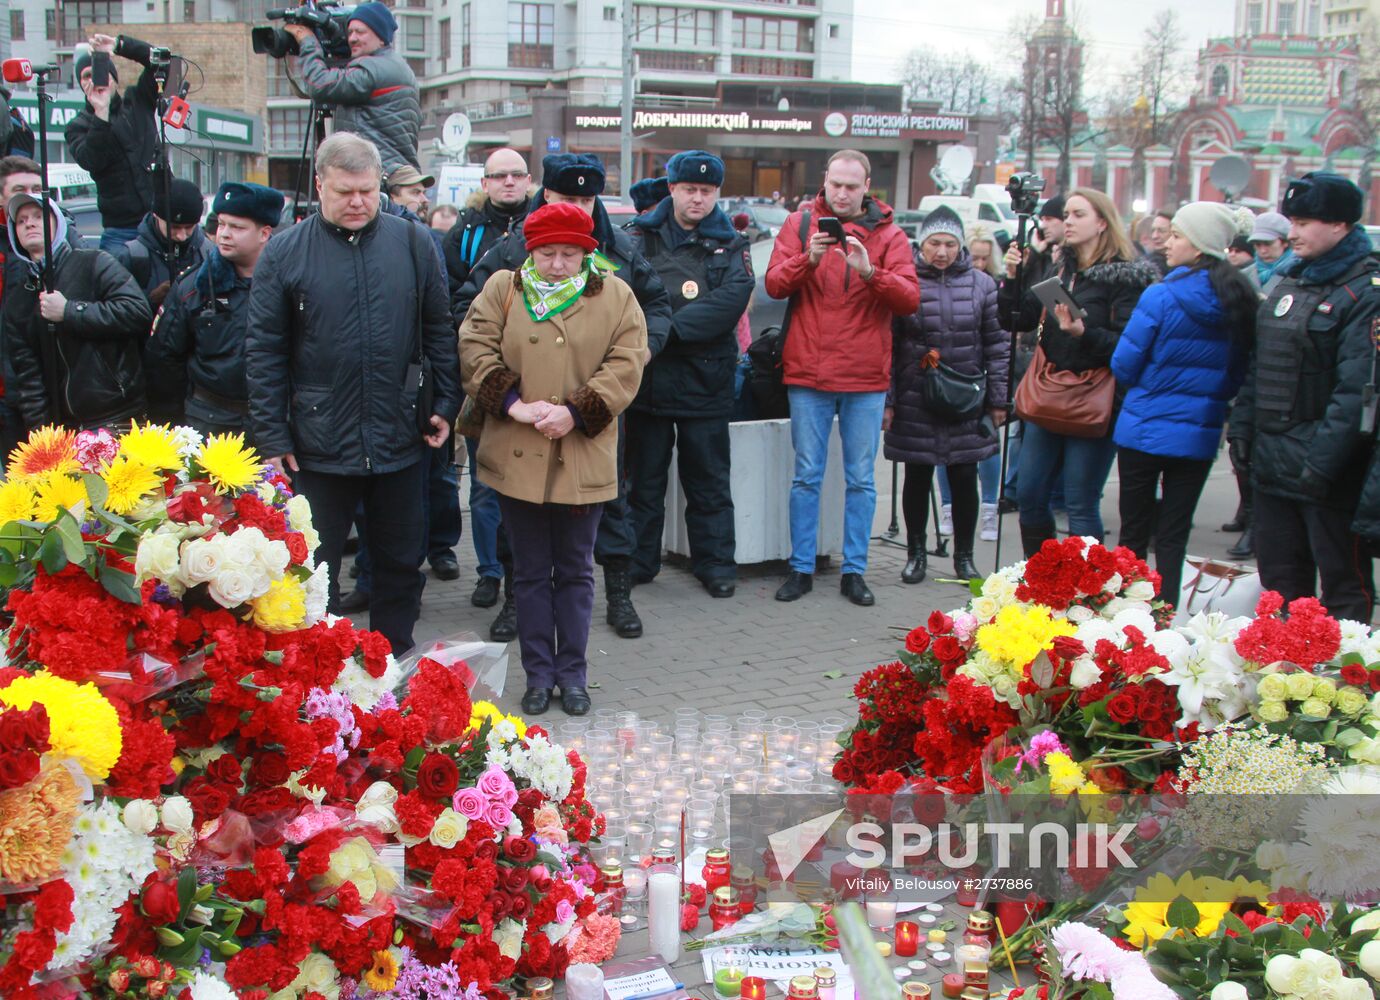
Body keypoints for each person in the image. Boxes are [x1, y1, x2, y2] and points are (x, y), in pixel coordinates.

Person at [245, 133, 460, 655]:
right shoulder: (285, 252)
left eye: (367, 190)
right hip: (317, 443)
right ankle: (327, 669)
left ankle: (394, 661)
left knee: (400, 561)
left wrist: (446, 406)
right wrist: (272, 434)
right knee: (314, 567)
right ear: (320, 185)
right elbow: (264, 350)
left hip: (400, 434)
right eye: (345, 192)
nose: (359, 202)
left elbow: (439, 330)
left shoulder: (412, 244)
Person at [456, 152, 672, 640]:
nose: (577, 205)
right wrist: (506, 391)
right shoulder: (512, 252)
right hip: (521, 423)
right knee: (518, 527)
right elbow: (468, 319)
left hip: (592, 416)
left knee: (606, 513)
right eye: (567, 196)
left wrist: (639, 357)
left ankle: (618, 592)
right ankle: (515, 600)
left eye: (585, 197)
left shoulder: (616, 248)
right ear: (545, 194)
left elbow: (652, 307)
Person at [459, 201, 646, 717]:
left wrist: (577, 413)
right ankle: (539, 675)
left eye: (570, 254)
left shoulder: (616, 294)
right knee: (530, 572)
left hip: (582, 451)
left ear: (587, 253)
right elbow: (474, 348)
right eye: (547, 254)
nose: (559, 264)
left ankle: (574, 675)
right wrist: (514, 404)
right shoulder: (502, 288)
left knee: (577, 572)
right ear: (531, 251)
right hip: (517, 451)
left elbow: (628, 363)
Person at [765, 149, 920, 605]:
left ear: (867, 186)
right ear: (825, 181)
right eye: (836, 184)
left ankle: (855, 570)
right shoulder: (799, 225)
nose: (843, 193)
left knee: (861, 479)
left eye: (853, 186)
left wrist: (870, 272)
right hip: (809, 371)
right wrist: (806, 261)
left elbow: (910, 298)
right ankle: (801, 567)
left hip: (865, 375)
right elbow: (774, 284)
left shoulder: (890, 235)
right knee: (807, 476)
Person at [1228, 172, 1379, 622]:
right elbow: (1261, 365)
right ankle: (1281, 682)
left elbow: (1357, 394)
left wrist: (1321, 466)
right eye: (1292, 220)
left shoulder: (1365, 292)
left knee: (1342, 591)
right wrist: (1243, 430)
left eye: (1306, 221)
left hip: (1327, 474)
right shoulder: (1290, 282)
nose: (1293, 232)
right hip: (1273, 463)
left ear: (1341, 226)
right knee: (1280, 589)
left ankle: (1345, 688)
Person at [1110, 202, 1256, 606]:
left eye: (1176, 235)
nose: (1167, 242)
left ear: (1199, 244)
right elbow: (1236, 375)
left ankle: (1128, 616)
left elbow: (1123, 363)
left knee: (1133, 533)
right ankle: (1168, 611)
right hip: (1198, 432)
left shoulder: (1161, 296)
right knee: (1174, 533)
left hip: (1143, 428)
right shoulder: (1239, 299)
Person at [1000, 189, 1158, 555]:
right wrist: (1013, 276)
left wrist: (1083, 333)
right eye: (1066, 214)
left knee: (1080, 502)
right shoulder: (1059, 268)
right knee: (1030, 494)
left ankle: (1086, 594)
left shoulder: (1127, 278)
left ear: (1102, 223)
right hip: (1048, 393)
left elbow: (1131, 348)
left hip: (1095, 399)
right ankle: (1037, 578)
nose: (1067, 221)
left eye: (1077, 214)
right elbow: (1015, 320)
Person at [625, 151, 754, 596]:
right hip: (649, 381)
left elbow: (730, 301)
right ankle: (638, 562)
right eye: (689, 190)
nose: (698, 199)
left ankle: (716, 565)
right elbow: (626, 296)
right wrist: (659, 331)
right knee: (643, 481)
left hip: (706, 380)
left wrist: (666, 328)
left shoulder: (733, 243)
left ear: (716, 193)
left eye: (707, 191)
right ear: (673, 189)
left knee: (709, 482)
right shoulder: (639, 236)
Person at [886, 207, 1008, 584]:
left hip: (966, 396)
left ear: (962, 245)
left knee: (964, 474)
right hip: (914, 393)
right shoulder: (904, 281)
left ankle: (964, 557)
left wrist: (999, 400)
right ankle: (916, 553)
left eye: (950, 244)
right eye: (934, 243)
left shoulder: (982, 285)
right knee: (917, 476)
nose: (942, 252)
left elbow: (997, 345)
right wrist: (888, 400)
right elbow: (887, 345)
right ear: (921, 245)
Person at [443, 147, 532, 613]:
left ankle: (529, 576)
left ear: (529, 179)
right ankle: (489, 572)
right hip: (487, 379)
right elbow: (454, 301)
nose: (509, 183)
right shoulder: (467, 232)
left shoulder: (544, 226)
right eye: (500, 176)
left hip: (540, 384)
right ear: (486, 181)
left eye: (517, 174)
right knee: (484, 486)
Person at [4, 193, 151, 430]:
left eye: (38, 217)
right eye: (21, 221)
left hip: (117, 416)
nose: (29, 223)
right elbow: (29, 378)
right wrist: (42, 435)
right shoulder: (18, 300)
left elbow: (137, 313)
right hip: (64, 429)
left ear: (57, 224)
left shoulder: (94, 263)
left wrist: (71, 311)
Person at [145, 182, 281, 434]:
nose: (224, 234)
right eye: (221, 224)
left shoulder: (290, 284)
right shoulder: (194, 287)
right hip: (210, 421)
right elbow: (164, 360)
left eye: (237, 227)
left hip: (276, 424)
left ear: (264, 233)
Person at [285, 2, 421, 174]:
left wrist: (307, 40)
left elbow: (318, 84)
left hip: (376, 175)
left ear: (381, 37)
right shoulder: (395, 65)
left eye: (360, 32)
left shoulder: (372, 70)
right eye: (349, 32)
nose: (352, 38)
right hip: (394, 174)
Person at [65, 34, 163, 251]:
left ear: (113, 77)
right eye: (86, 76)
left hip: (161, 221)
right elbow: (93, 160)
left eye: (98, 73)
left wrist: (121, 46)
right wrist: (101, 113)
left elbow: (162, 61)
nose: (93, 80)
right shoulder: (78, 126)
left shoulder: (137, 102)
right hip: (121, 230)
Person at [114, 177, 207, 308]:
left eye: (189, 227)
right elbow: (118, 314)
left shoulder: (208, 252)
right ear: (156, 216)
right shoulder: (131, 257)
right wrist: (151, 300)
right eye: (174, 227)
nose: (182, 236)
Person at [1248, 211, 1294, 292]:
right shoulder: (1244, 275)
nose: (1263, 251)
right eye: (1257, 244)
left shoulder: (1297, 273)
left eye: (1268, 244)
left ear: (1285, 242)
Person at [1144, 210, 1173, 276]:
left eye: (1161, 231)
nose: (1155, 236)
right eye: (1153, 230)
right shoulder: (1146, 264)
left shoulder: (1184, 265)